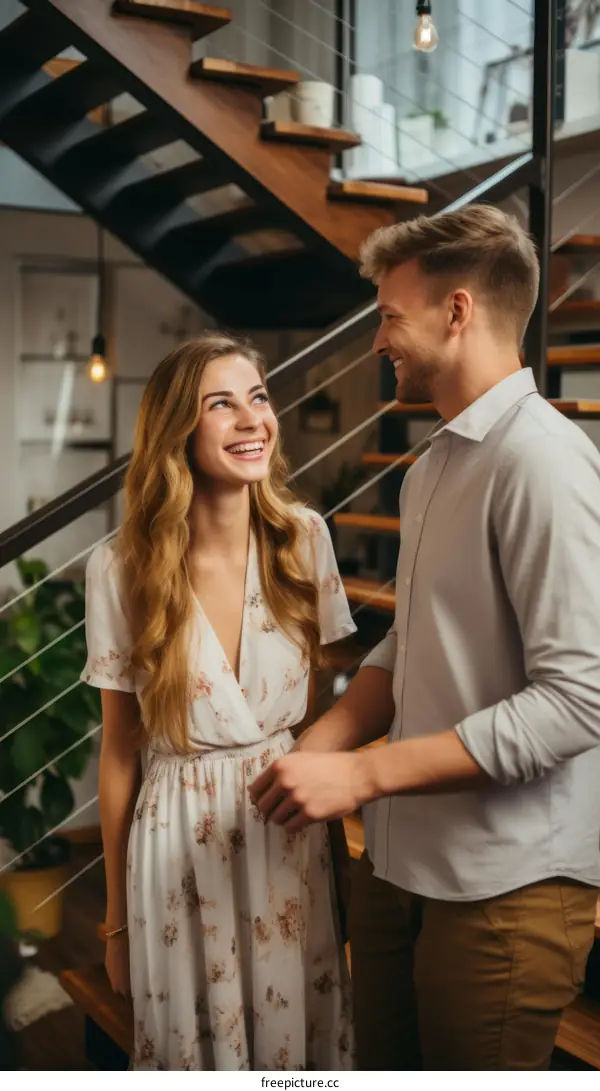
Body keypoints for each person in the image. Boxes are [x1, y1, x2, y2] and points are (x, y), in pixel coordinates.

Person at [250, 205, 600, 1071]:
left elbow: (578, 700)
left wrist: (362, 772)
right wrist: (316, 748)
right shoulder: (437, 463)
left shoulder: (543, 461)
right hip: (402, 862)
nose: (378, 342)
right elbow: (410, 644)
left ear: (458, 310)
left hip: (505, 887)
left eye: (389, 317)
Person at [81, 334, 356, 1071]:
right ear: (178, 428)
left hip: (284, 829)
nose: (252, 418)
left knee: (298, 1051)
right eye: (221, 404)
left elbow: (326, 705)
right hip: (175, 840)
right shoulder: (120, 569)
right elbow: (117, 750)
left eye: (259, 397)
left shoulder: (305, 541)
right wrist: (114, 924)